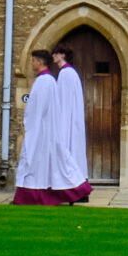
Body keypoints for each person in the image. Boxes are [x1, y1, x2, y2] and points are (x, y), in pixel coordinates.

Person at [12, 51, 69, 205]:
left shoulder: (45, 81)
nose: (31, 64)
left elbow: (38, 108)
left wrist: (30, 125)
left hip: (40, 131)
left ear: (39, 62)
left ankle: (31, 195)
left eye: (33, 61)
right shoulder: (45, 81)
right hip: (40, 129)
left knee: (33, 160)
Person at [52, 45, 93, 204]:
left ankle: (75, 191)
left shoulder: (66, 74)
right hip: (70, 121)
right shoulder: (69, 73)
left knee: (69, 154)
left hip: (67, 122)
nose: (54, 56)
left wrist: (60, 126)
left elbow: (63, 103)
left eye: (56, 53)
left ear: (62, 55)